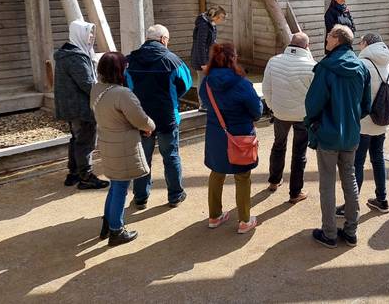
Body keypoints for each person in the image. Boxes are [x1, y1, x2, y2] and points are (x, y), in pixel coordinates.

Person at [305, 25, 371, 248]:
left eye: (330, 35)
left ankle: (329, 233)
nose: (326, 37)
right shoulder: (362, 67)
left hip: (328, 134)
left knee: (327, 184)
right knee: (350, 179)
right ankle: (351, 231)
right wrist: (351, 118)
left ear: (339, 40)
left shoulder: (326, 67)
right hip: (352, 133)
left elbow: (313, 103)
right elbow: (366, 105)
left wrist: (313, 123)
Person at [92, 52, 156, 246]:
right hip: (123, 147)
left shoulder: (96, 89)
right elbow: (141, 119)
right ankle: (116, 230)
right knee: (120, 188)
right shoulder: (122, 94)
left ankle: (108, 222)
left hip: (107, 142)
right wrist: (150, 127)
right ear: (119, 70)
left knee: (115, 185)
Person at [127, 24, 192, 209]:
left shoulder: (130, 61)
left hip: (140, 118)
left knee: (142, 158)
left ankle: (140, 197)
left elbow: (127, 88)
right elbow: (186, 84)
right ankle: (175, 195)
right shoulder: (173, 60)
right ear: (163, 39)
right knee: (171, 156)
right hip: (166, 117)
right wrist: (172, 97)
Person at [199, 43, 263, 234]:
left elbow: (205, 101)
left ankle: (214, 216)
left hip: (216, 134)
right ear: (233, 58)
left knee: (216, 172)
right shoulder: (242, 83)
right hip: (240, 136)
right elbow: (257, 110)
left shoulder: (207, 82)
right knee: (242, 176)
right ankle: (244, 220)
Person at [262, 32, 316, 204]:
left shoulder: (274, 61)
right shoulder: (312, 65)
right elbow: (315, 95)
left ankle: (274, 180)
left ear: (290, 43)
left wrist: (272, 106)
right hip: (302, 115)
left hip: (280, 112)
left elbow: (266, 88)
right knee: (299, 152)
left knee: (278, 145)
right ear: (307, 47)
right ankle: (295, 192)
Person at [54, 20, 108, 190]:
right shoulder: (76, 57)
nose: (91, 36)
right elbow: (87, 84)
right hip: (81, 107)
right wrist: (105, 92)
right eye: (89, 33)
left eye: (92, 32)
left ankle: (74, 173)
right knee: (86, 140)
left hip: (70, 106)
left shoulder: (66, 54)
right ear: (79, 34)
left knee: (76, 139)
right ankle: (86, 176)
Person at [349, 33, 389, 214]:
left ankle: (352, 204)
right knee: (378, 159)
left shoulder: (362, 65)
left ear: (366, 44)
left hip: (363, 121)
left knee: (357, 163)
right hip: (382, 120)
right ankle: (382, 198)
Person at [190, 6, 226, 111]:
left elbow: (211, 40)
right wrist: (203, 63)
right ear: (214, 16)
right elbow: (200, 45)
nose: (223, 20)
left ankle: (210, 102)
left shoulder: (211, 24)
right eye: (222, 17)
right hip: (202, 59)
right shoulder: (203, 26)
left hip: (209, 57)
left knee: (209, 81)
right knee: (202, 81)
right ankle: (203, 105)